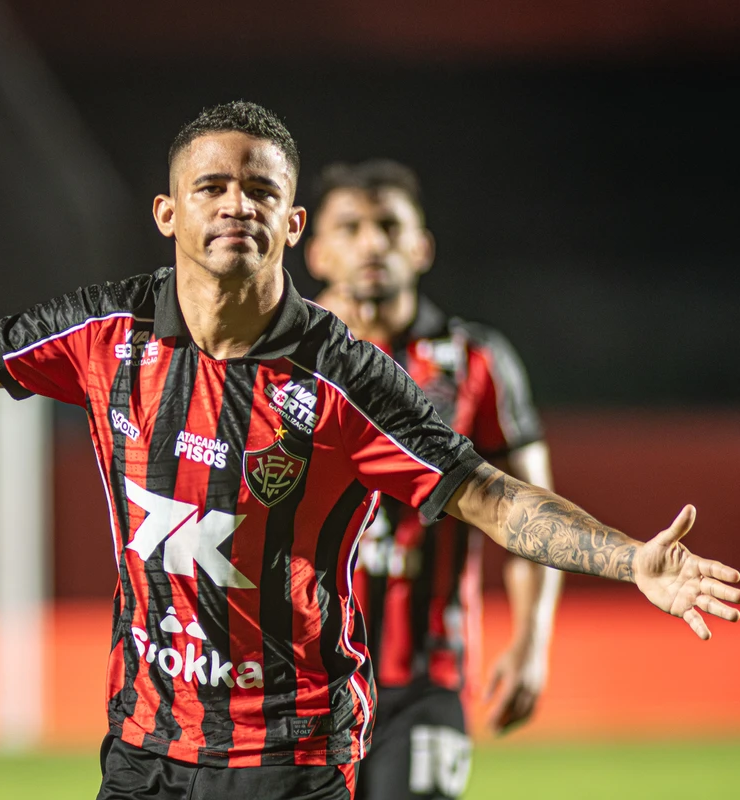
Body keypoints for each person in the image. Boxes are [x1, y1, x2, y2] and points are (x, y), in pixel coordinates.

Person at [0, 101, 740, 800]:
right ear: (169, 212)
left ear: (294, 224)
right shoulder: (105, 334)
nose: (236, 203)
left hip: (289, 754)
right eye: (214, 184)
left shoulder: (343, 375)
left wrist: (628, 558)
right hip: (143, 749)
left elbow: (490, 495)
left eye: (262, 189)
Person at [306, 160, 561, 800]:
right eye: (352, 226)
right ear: (314, 250)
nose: (371, 243)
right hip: (296, 681)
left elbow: (536, 513)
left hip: (424, 680)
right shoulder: (278, 361)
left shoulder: (476, 362)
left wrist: (532, 643)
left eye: (389, 226)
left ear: (421, 247)